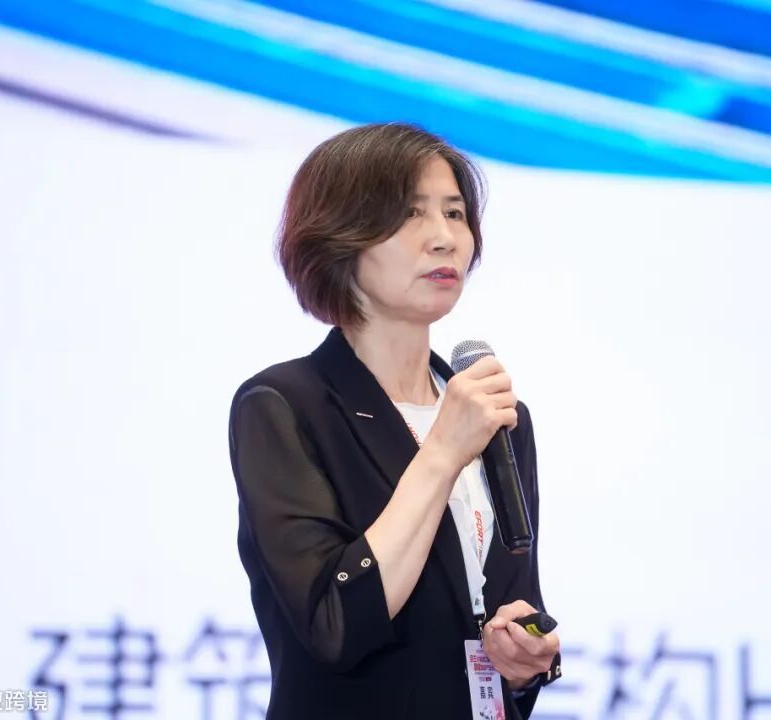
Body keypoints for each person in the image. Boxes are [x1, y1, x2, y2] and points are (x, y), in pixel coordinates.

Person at [227, 122, 561, 719]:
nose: (445, 239)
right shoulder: (284, 405)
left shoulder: (496, 415)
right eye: (411, 214)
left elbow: (512, 602)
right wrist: (441, 453)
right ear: (340, 236)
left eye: (455, 214)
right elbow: (335, 625)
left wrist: (523, 660)